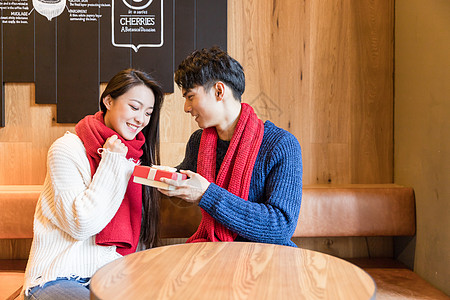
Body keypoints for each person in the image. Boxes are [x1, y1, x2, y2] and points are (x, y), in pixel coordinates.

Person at [22, 69, 164, 299]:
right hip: (59, 276)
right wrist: (112, 160)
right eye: (134, 107)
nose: (141, 119)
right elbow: (81, 225)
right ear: (108, 101)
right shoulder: (66, 149)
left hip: (115, 275)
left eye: (148, 112)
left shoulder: (134, 159)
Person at [158, 47, 302, 247]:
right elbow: (187, 181)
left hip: (268, 258)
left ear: (219, 91)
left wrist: (206, 194)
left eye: (190, 97)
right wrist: (163, 178)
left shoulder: (281, 144)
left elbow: (280, 226)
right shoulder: (198, 141)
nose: (186, 108)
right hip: (215, 252)